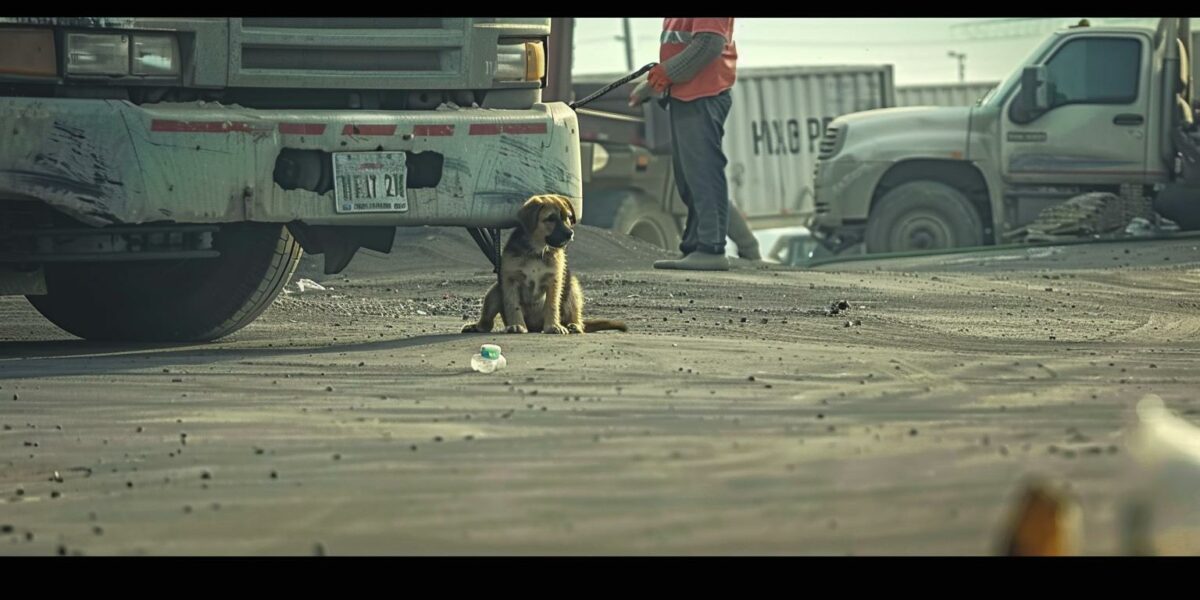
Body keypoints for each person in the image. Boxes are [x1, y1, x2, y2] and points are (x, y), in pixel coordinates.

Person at [630, 18, 740, 271]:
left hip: (702, 95)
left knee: (702, 172)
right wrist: (651, 85)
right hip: (688, 94)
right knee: (689, 176)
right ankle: (694, 246)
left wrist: (665, 74)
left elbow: (708, 45)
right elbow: (685, 46)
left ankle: (710, 248)